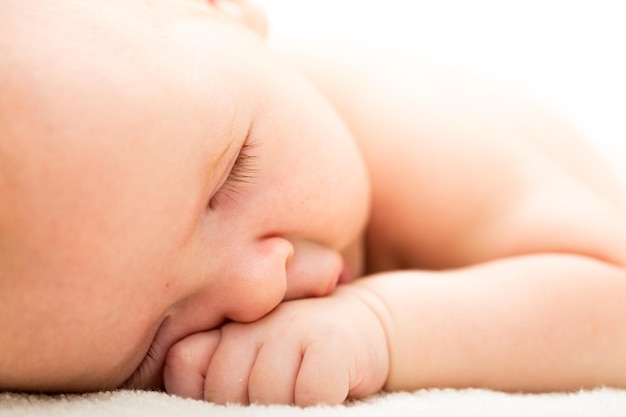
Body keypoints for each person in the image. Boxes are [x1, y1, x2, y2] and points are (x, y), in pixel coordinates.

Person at [1, 0, 626, 407]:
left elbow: (613, 300)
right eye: (152, 345)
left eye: (233, 176)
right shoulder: (203, 108)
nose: (255, 287)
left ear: (226, 11)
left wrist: (382, 324)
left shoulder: (405, 127)